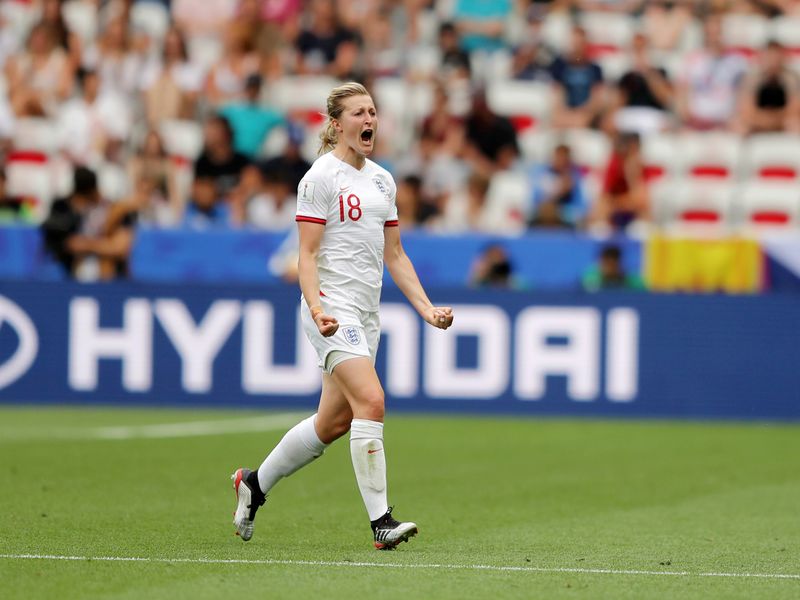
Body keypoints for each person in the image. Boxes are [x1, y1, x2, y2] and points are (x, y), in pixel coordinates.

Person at [231, 82, 454, 550]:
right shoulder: (319, 179)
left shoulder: (382, 181)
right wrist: (316, 307)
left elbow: (395, 255)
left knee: (331, 423)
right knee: (371, 402)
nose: (368, 119)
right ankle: (381, 522)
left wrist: (425, 308)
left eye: (372, 111)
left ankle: (253, 484)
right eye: (358, 112)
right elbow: (306, 256)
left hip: (365, 313)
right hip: (330, 307)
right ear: (336, 124)